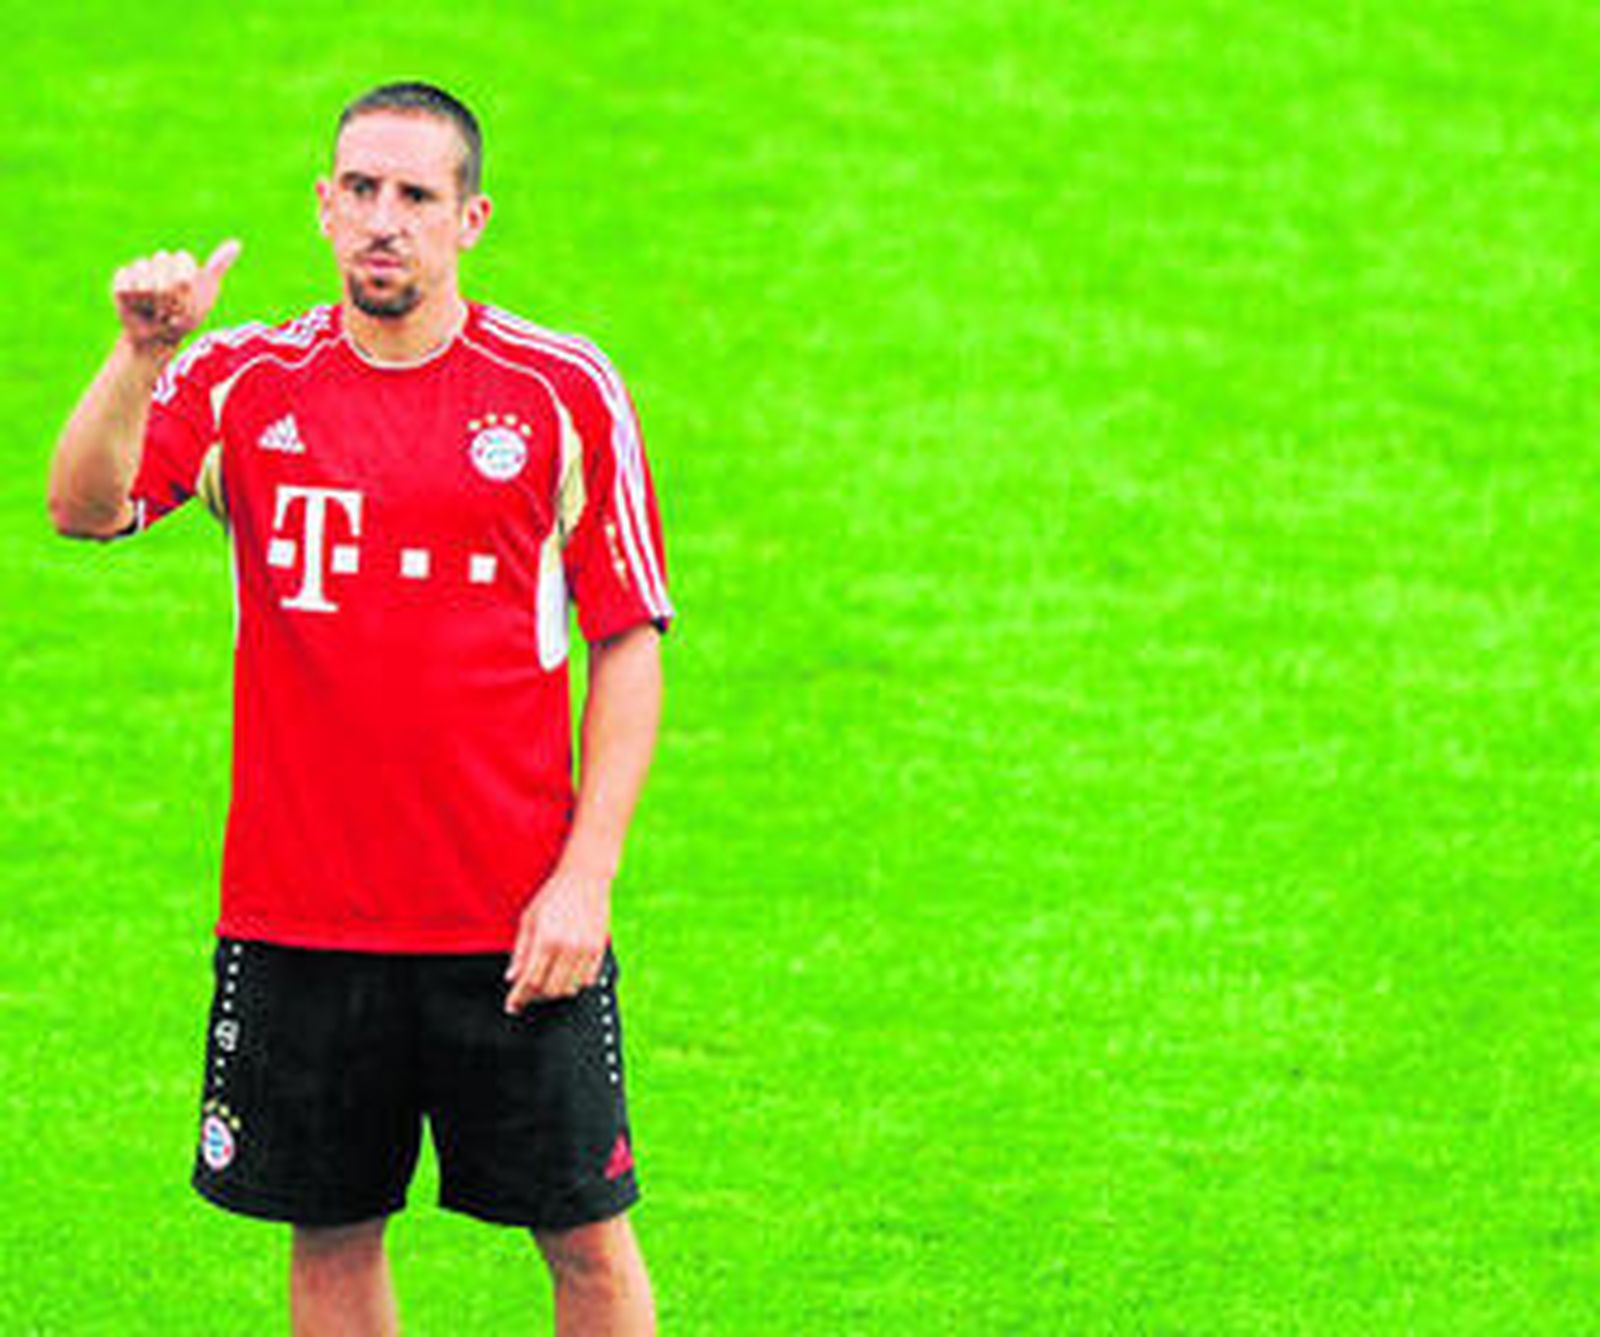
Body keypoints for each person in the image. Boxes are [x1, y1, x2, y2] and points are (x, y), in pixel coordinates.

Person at [47, 82, 670, 1335]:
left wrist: (585, 877)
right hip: (301, 915)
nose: (386, 220)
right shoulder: (238, 380)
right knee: (330, 1234)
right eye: (362, 191)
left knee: (587, 1242)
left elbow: (628, 639)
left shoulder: (560, 388)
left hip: (511, 919)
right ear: (325, 207)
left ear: (470, 217)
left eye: (417, 196)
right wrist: (139, 352)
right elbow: (84, 504)